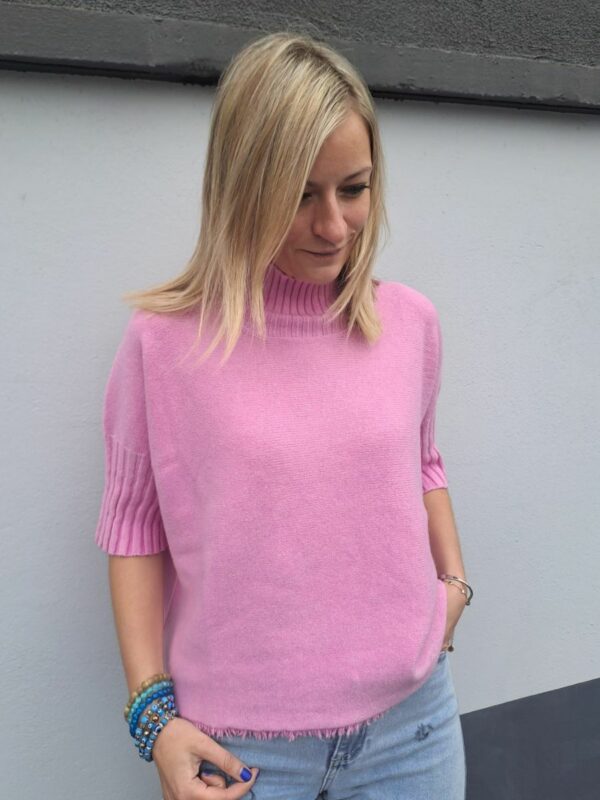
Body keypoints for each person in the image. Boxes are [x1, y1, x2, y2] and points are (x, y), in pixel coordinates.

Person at [94, 30, 473, 800]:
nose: (333, 226)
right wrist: (152, 718)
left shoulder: (409, 324)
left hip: (414, 729)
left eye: (353, 189)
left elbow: (423, 465)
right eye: (301, 195)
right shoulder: (165, 343)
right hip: (239, 750)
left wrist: (454, 587)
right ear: (244, 185)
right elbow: (134, 526)